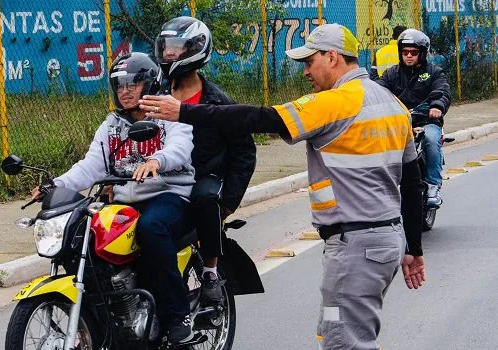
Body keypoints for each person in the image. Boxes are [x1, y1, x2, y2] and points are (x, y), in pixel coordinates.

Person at [139, 23, 426, 349]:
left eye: (309, 62)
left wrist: (185, 112)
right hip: (387, 241)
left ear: (332, 57)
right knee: (353, 336)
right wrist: (413, 248)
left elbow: (261, 118)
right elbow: (413, 183)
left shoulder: (335, 102)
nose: (305, 72)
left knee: (344, 342)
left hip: (355, 246)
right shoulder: (392, 104)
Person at [31, 52, 196, 344]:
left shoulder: (169, 111)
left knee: (150, 229)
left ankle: (177, 314)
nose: (125, 91)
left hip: (168, 194)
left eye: (133, 84)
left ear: (150, 84)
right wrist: (54, 185)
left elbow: (181, 146)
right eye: (119, 85)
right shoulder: (111, 125)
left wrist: (158, 160)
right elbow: (90, 166)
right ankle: (106, 316)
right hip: (125, 200)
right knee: (82, 236)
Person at [154, 16, 257, 303]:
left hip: (204, 177)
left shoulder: (219, 103)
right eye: (166, 47)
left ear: (195, 49)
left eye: (176, 47)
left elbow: (245, 153)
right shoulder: (154, 93)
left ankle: (210, 272)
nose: (169, 53)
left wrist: (227, 204)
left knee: (206, 197)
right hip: (163, 179)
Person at [376, 28, 451, 207]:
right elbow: (377, 90)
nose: (409, 55)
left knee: (431, 140)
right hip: (399, 123)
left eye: (414, 52)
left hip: (426, 121)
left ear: (422, 53)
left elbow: (442, 92)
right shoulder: (391, 74)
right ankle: (380, 189)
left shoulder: (435, 72)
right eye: (405, 52)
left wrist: (436, 106)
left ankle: (433, 185)